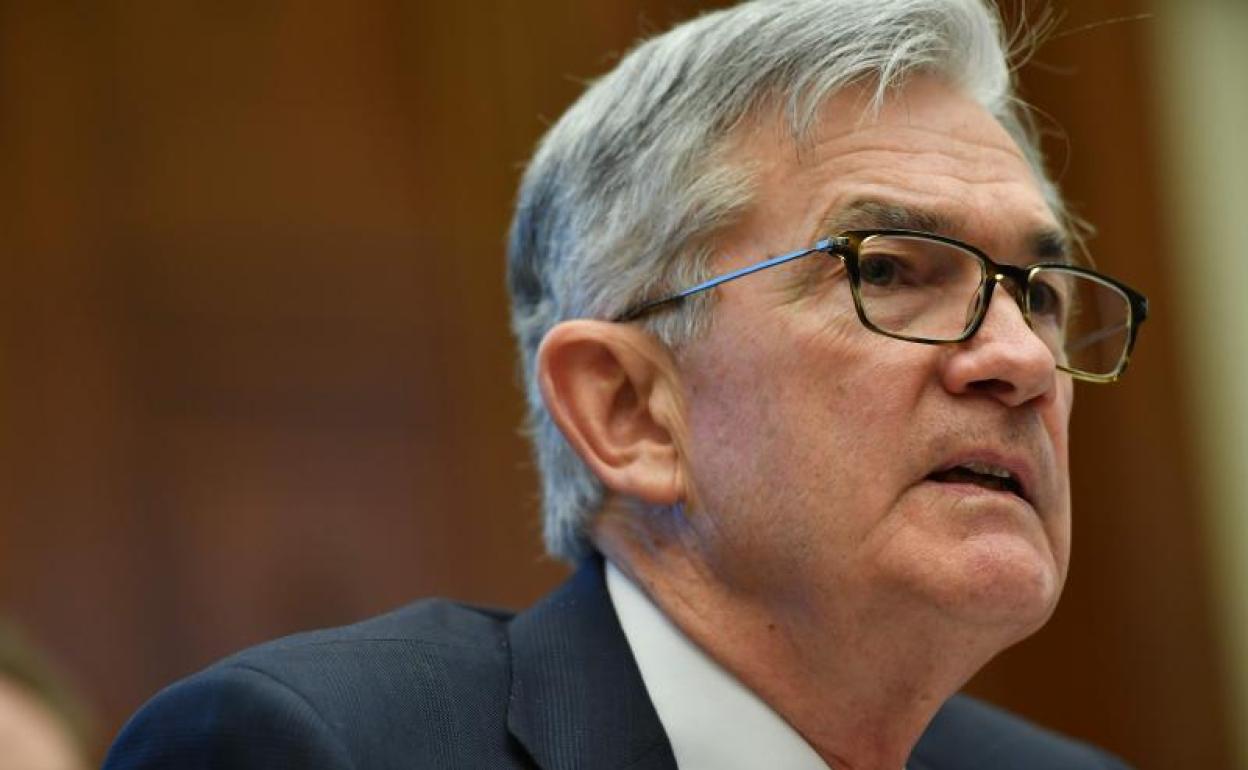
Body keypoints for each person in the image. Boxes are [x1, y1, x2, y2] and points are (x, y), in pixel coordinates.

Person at [104, 0, 1148, 767]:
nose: (1021, 360)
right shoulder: (313, 748)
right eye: (885, 271)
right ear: (630, 410)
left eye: (1040, 295)